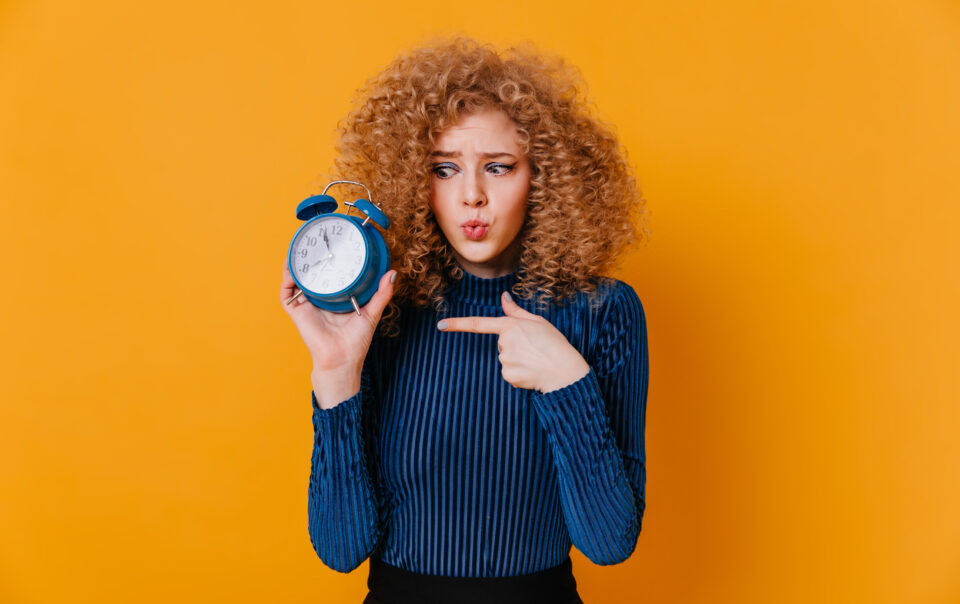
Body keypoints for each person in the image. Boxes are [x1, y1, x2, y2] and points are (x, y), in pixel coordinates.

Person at [280, 36, 649, 604]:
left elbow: (608, 542)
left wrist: (566, 383)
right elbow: (341, 549)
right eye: (445, 169)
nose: (471, 195)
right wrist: (336, 373)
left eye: (498, 168)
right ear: (416, 179)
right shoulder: (381, 311)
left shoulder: (603, 311)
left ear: (543, 177)